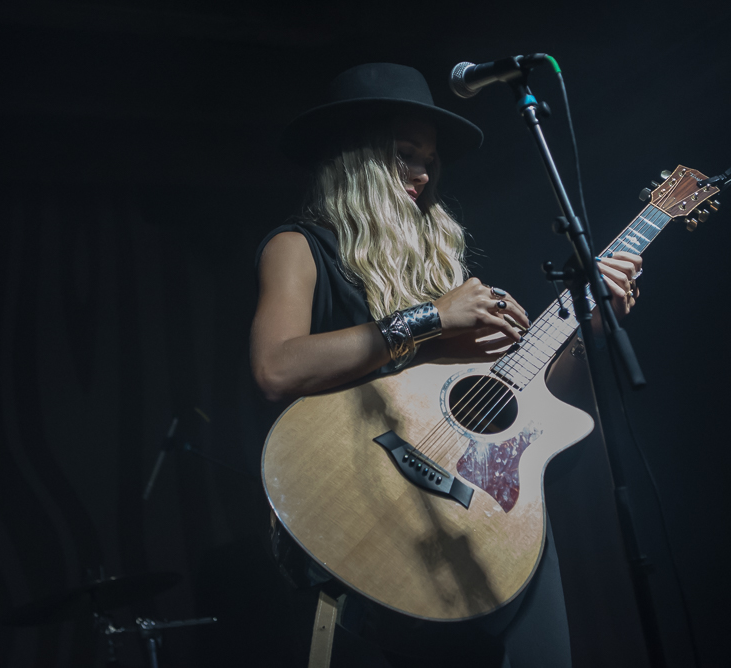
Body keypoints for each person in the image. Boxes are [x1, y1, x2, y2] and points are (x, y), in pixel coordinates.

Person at [249, 63, 642, 667]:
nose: (424, 173)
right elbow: (276, 368)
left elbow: (533, 413)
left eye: (429, 160)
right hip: (365, 506)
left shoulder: (446, 274)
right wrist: (430, 321)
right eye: (405, 155)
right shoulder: (299, 247)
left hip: (481, 510)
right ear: (357, 158)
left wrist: (586, 331)